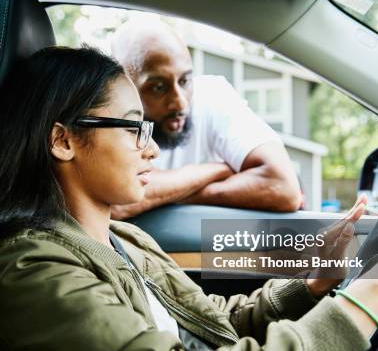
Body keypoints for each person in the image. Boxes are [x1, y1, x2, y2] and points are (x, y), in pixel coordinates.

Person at [0, 46, 378, 351]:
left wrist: (314, 282)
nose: (153, 148)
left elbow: (209, 324)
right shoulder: (35, 273)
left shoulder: (123, 239)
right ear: (63, 141)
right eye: (133, 128)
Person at [109, 21, 302, 220]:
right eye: (158, 87)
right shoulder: (107, 116)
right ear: (123, 88)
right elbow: (117, 203)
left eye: (185, 81)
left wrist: (159, 195)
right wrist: (219, 170)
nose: (180, 103)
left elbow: (283, 187)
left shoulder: (213, 97)